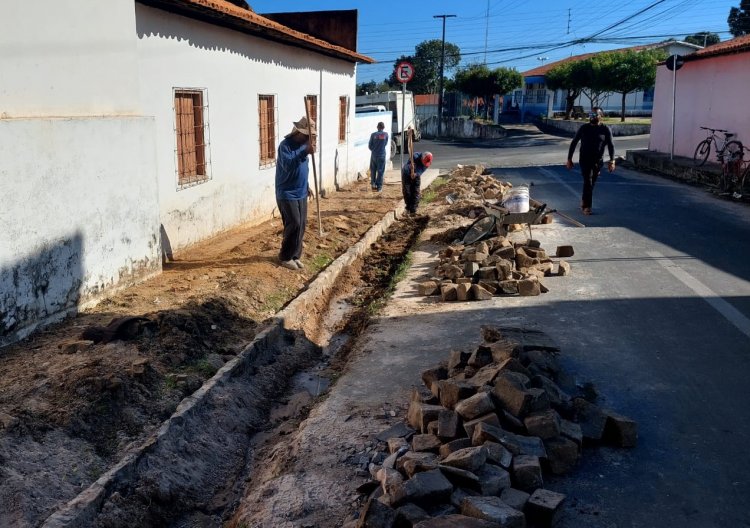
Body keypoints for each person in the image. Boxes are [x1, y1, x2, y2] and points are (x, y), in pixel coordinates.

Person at [275, 116, 316, 270]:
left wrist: (306, 185)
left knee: (302, 224)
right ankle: (285, 257)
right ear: (299, 133)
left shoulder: (304, 147)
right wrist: (304, 151)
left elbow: (303, 170)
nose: (309, 139)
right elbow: (288, 165)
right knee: (294, 223)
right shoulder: (285, 146)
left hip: (300, 192)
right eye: (307, 136)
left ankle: (295, 255)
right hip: (286, 193)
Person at [566, 111, 615, 215]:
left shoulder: (605, 129)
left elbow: (611, 145)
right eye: (590, 115)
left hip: (598, 161)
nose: (592, 117)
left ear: (601, 116)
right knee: (588, 181)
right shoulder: (584, 128)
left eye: (595, 115)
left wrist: (612, 160)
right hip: (584, 159)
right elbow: (574, 142)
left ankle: (584, 200)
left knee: (591, 183)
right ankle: (587, 207)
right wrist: (569, 159)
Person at [368, 122, 389, 193]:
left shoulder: (373, 135)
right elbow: (385, 143)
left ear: (377, 127)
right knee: (380, 171)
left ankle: (373, 184)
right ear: (383, 127)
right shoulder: (386, 134)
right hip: (382, 155)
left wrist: (374, 150)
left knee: (373, 170)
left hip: (374, 155)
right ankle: (379, 187)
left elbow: (370, 146)